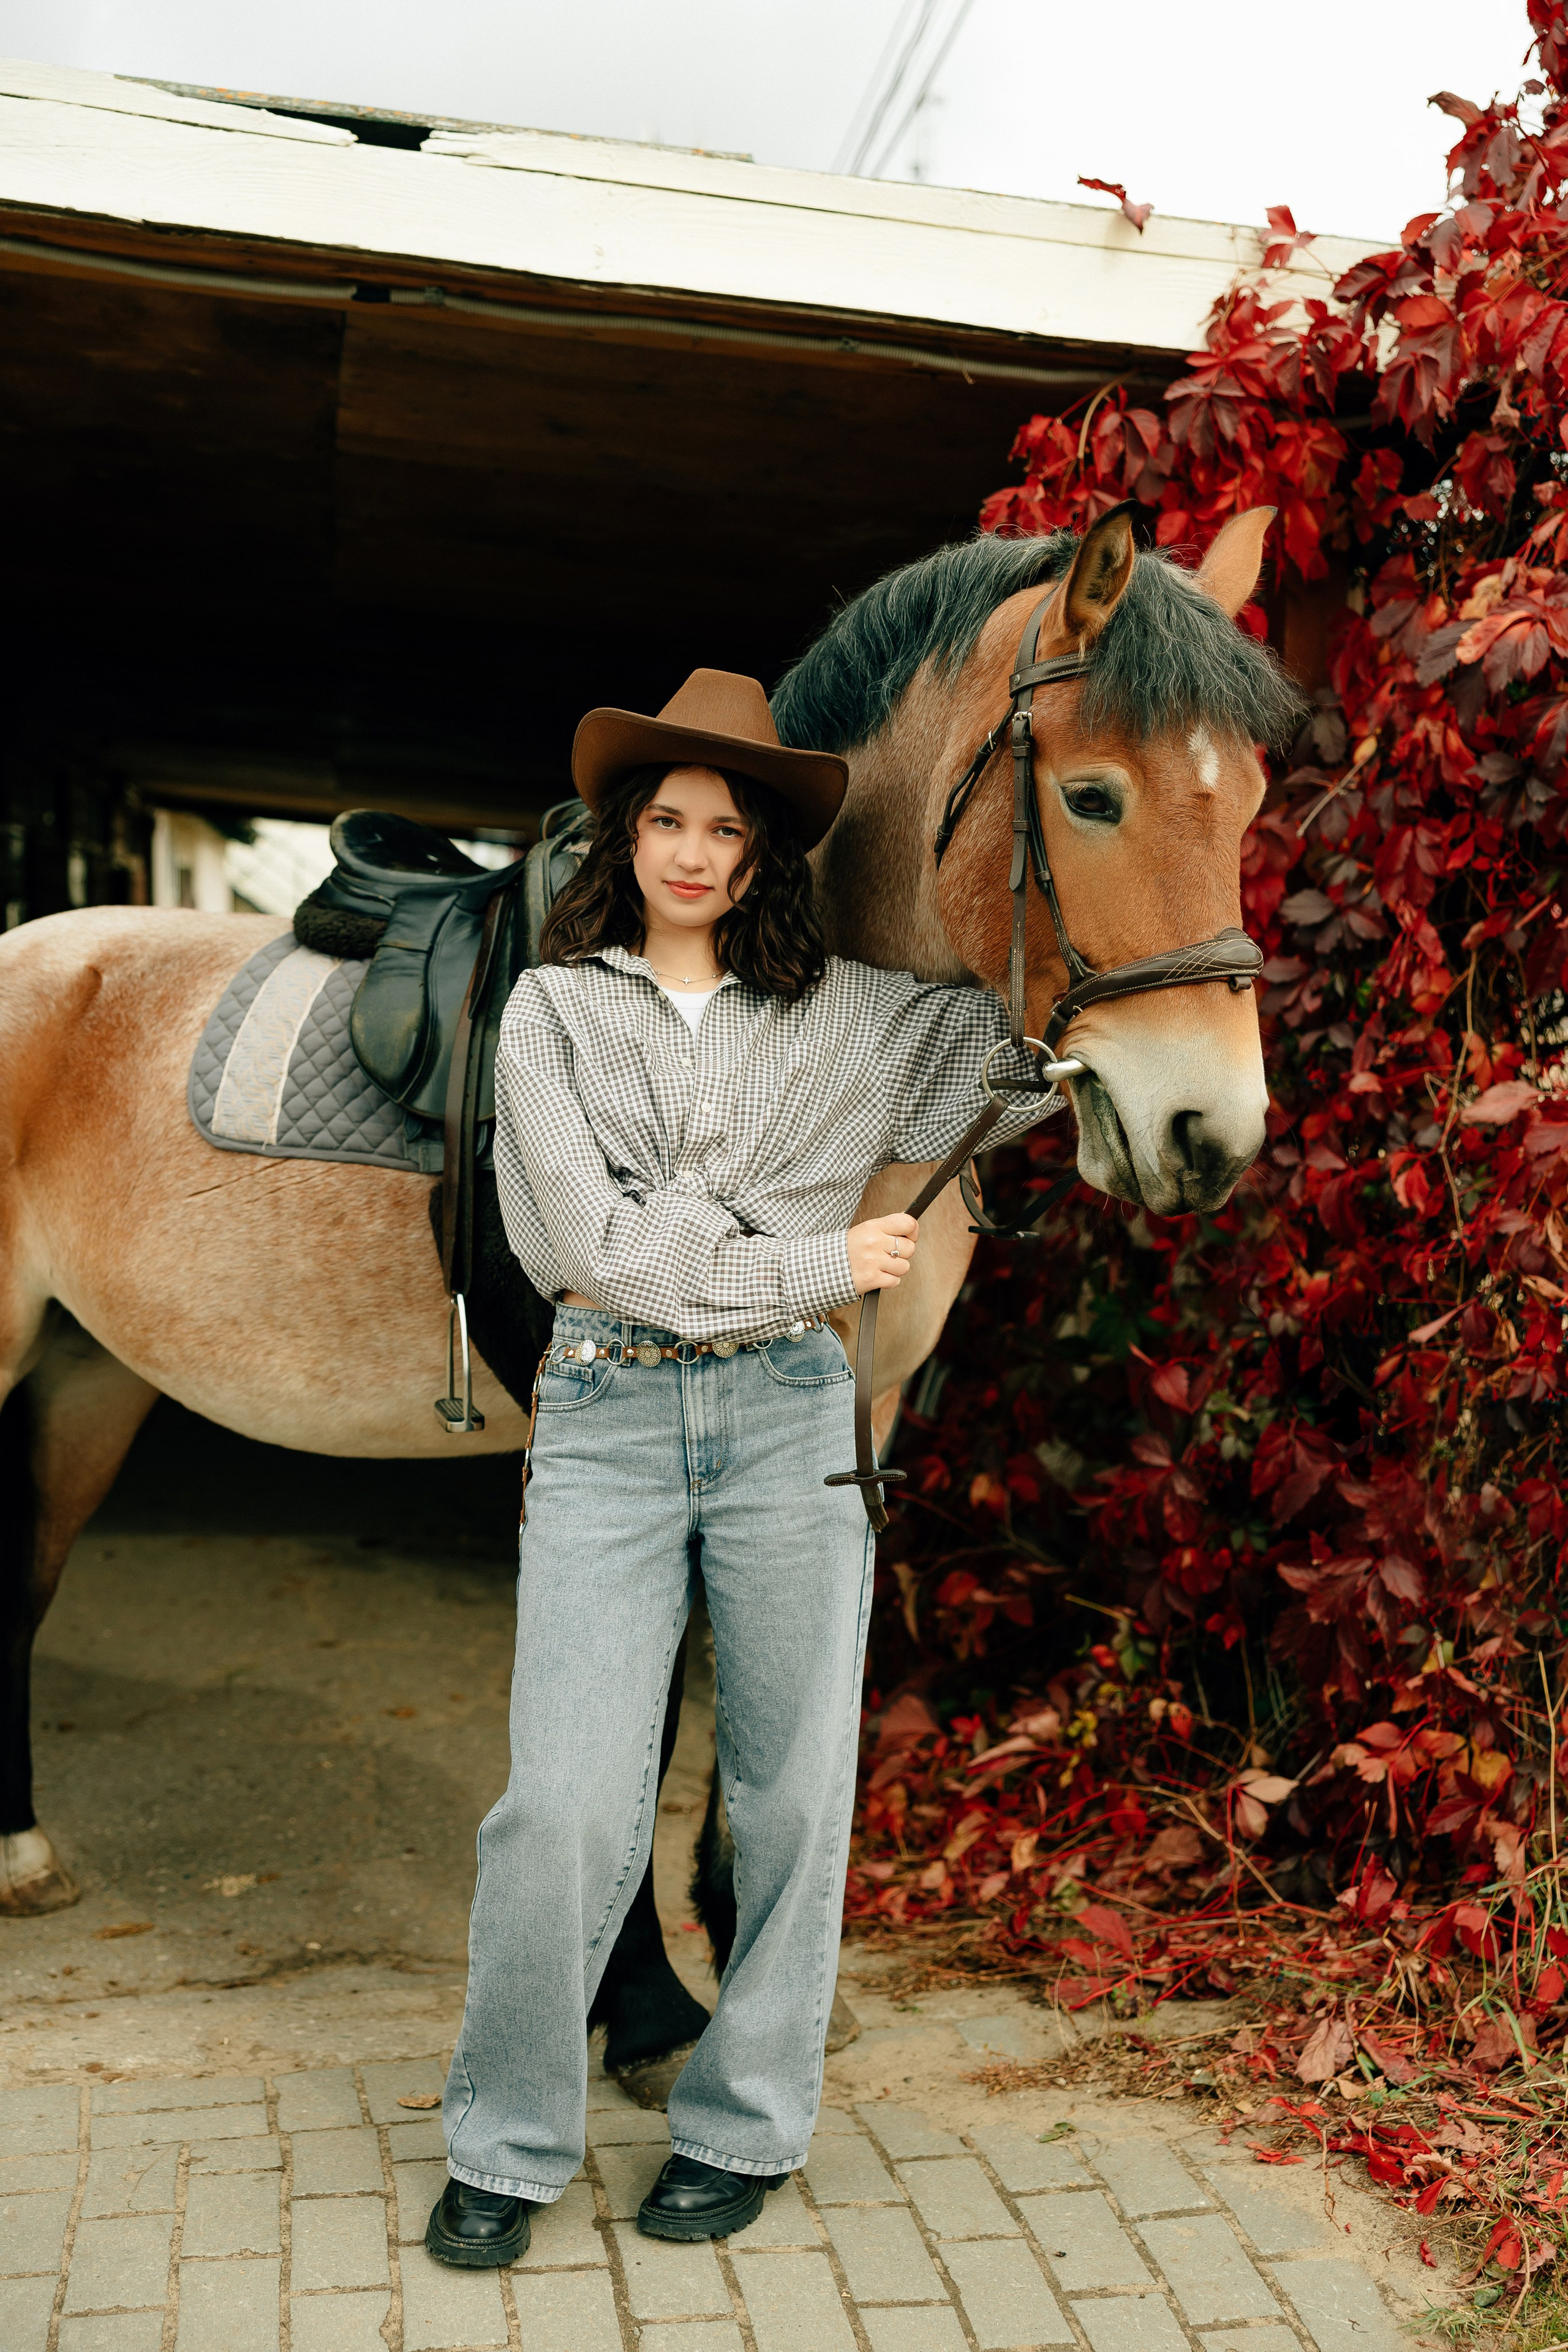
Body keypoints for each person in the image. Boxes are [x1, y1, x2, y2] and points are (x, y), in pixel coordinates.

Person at [426, 667, 1055, 2266]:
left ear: (766, 854)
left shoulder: (866, 1018)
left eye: (725, 828)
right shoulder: (556, 1013)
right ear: (625, 838)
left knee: (786, 1799)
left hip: (787, 1423)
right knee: (563, 1805)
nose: (693, 853)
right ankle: (507, 2143)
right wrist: (818, 1256)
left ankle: (745, 2122)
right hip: (613, 1418)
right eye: (667, 821)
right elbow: (600, 1254)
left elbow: (1042, 1023)